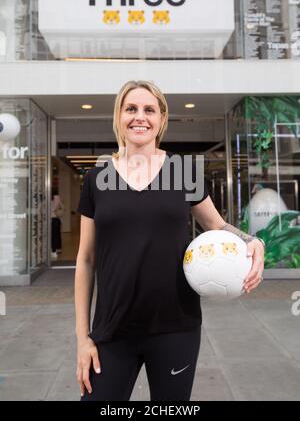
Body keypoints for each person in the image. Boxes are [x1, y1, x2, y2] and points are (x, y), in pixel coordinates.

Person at [75, 80, 265, 401]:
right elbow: (86, 259)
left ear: (162, 119)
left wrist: (252, 240)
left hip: (176, 326)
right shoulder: (97, 178)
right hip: (112, 328)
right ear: (119, 116)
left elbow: (217, 225)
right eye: (131, 109)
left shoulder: (183, 171)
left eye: (149, 110)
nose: (140, 117)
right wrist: (83, 339)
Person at [51, 189, 64, 259]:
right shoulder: (58, 198)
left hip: (51, 219)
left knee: (52, 236)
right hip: (57, 219)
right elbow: (62, 207)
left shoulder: (48, 198)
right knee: (57, 235)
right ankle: (58, 249)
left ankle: (53, 250)